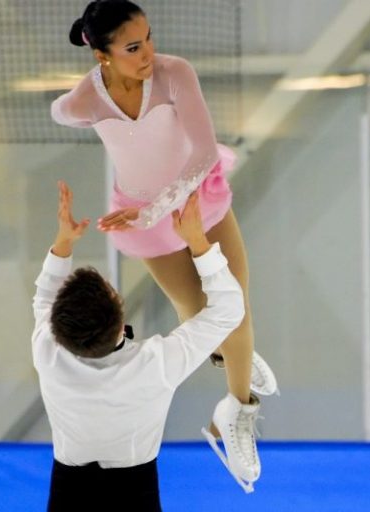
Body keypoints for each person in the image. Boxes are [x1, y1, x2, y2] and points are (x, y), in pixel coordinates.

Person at [50, 0, 277, 490]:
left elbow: (199, 152)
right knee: (201, 318)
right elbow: (60, 110)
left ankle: (234, 415)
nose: (149, 51)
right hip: (142, 222)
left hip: (200, 203)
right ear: (102, 55)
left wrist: (155, 209)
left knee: (233, 309)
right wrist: (87, 110)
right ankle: (231, 353)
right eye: (134, 47)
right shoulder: (88, 98)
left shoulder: (175, 74)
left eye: (149, 37)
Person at [33, 181, 246, 510]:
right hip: (135, 492)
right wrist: (197, 242)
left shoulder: (47, 350)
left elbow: (45, 297)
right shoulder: (156, 364)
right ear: (120, 324)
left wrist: (63, 243)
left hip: (68, 491)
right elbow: (229, 312)